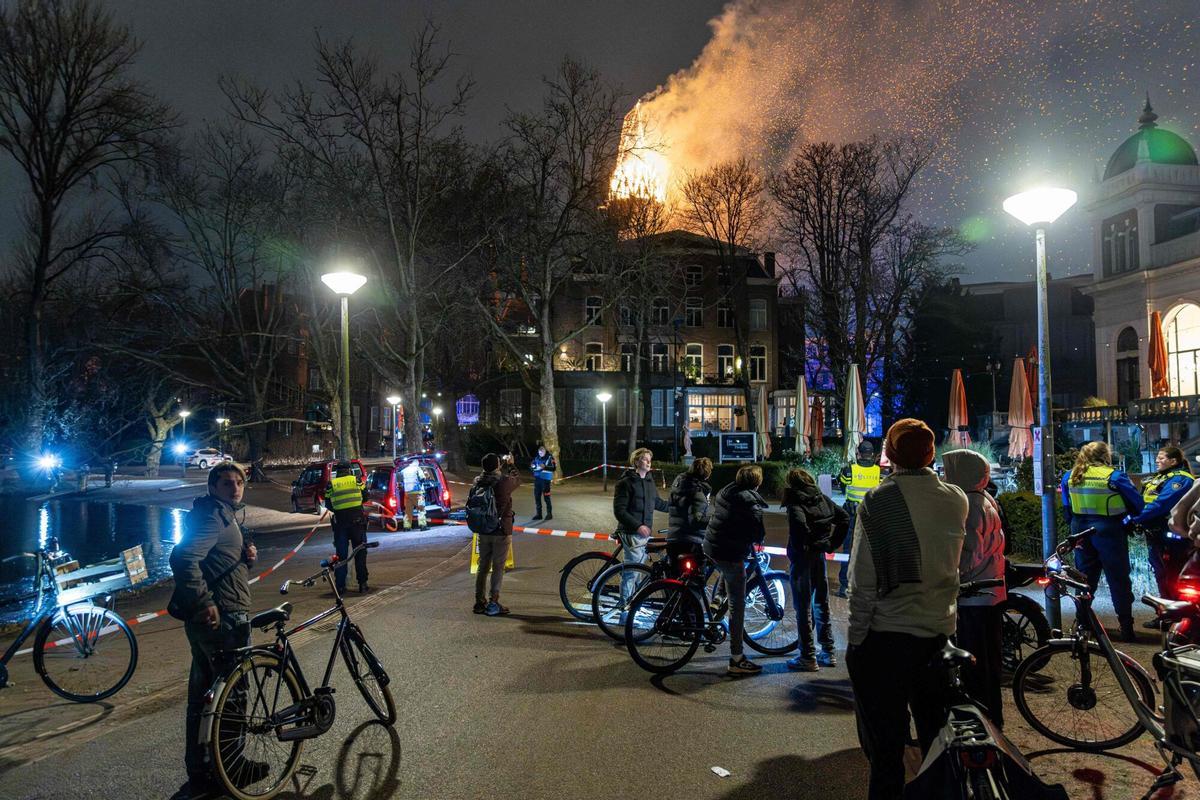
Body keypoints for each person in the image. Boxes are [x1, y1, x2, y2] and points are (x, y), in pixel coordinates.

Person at [846, 419, 967, 800]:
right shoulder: (956, 499)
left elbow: (863, 580)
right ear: (931, 454)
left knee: (886, 748)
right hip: (939, 635)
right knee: (936, 741)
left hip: (887, 638)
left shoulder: (880, 501)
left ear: (891, 454)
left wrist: (856, 639)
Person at [169, 462, 260, 800]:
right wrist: (205, 601)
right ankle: (232, 769)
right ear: (213, 486)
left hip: (214, 617)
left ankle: (201, 771)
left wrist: (244, 558)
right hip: (224, 618)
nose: (235, 488)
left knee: (203, 697)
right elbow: (182, 558)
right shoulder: (214, 516)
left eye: (239, 482)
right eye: (226, 483)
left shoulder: (220, 514)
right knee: (232, 698)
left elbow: (210, 559)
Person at [942, 448, 1007, 727]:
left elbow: (968, 555)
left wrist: (948, 577)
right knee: (988, 662)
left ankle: (980, 724)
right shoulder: (984, 498)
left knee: (975, 663)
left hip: (975, 596)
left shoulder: (968, 506)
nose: (944, 476)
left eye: (949, 471)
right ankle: (992, 718)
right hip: (990, 592)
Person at [1060, 441, 1144, 641]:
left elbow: (1066, 509)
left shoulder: (1069, 476)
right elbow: (1138, 505)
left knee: (1083, 579)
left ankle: (1083, 625)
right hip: (1109, 531)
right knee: (1118, 579)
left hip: (1080, 530)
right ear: (1106, 455)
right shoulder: (1114, 476)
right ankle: (1126, 628)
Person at [703, 464, 769, 676]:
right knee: (737, 604)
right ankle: (737, 658)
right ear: (756, 482)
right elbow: (758, 532)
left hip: (713, 546)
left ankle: (716, 604)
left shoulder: (727, 491)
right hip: (730, 551)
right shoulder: (750, 502)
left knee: (727, 576)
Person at [781, 466, 848, 672]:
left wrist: (806, 545)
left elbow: (799, 528)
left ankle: (807, 656)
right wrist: (829, 544)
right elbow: (844, 517)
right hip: (819, 557)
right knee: (821, 603)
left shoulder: (795, 503)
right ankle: (828, 651)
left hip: (802, 559)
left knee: (803, 608)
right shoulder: (821, 498)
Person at [1129, 446, 1194, 616]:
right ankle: (1164, 615)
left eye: (1161, 458)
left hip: (1172, 538)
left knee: (1172, 577)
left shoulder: (1180, 479)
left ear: (1173, 461)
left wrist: (1134, 519)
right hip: (1155, 535)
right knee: (1161, 575)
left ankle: (1180, 617)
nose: (1157, 460)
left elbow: (1161, 504)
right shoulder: (1159, 478)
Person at [613, 448, 670, 603]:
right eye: (644, 458)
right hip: (632, 533)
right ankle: (624, 610)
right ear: (636, 462)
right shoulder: (626, 483)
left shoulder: (649, 482)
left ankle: (633, 604)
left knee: (638, 572)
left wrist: (677, 506)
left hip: (643, 535)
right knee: (631, 574)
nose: (648, 461)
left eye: (649, 458)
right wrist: (638, 526)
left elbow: (657, 503)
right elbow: (619, 511)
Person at [473, 453, 520, 616]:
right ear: (498, 465)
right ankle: (493, 603)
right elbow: (517, 479)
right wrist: (511, 465)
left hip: (483, 529)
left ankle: (479, 602)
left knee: (482, 566)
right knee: (498, 567)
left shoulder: (477, 481)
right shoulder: (504, 481)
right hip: (500, 530)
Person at [837, 439, 882, 597]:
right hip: (871, 515)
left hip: (852, 513)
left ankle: (844, 585)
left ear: (859, 453)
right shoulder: (879, 472)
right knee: (872, 550)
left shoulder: (849, 470)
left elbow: (841, 484)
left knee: (848, 550)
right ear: (872, 455)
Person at [324, 461, 369, 594]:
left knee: (341, 557)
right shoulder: (356, 480)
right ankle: (363, 584)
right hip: (357, 523)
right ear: (349, 470)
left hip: (340, 524)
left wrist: (339, 509)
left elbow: (328, 504)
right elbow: (366, 497)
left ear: (337, 472)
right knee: (360, 553)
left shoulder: (331, 484)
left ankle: (340, 587)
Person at [667, 457, 713, 565]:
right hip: (691, 542)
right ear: (707, 474)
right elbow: (696, 521)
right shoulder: (696, 492)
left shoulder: (679, 485)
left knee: (675, 579)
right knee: (695, 579)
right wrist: (714, 520)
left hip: (674, 538)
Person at [530, 445, 557, 521]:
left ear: (545, 451)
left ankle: (549, 514)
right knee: (537, 497)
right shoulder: (537, 458)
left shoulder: (550, 457)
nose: (540, 453)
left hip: (545, 480)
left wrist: (545, 467)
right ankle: (539, 514)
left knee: (546, 498)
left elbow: (554, 468)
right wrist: (532, 466)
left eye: (542, 451)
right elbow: (532, 466)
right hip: (537, 480)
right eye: (539, 452)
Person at [399, 458, 427, 530]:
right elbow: (422, 478)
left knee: (408, 510)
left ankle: (407, 527)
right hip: (418, 493)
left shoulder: (405, 470)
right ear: (417, 463)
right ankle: (422, 525)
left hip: (407, 493)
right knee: (421, 509)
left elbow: (400, 479)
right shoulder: (417, 469)